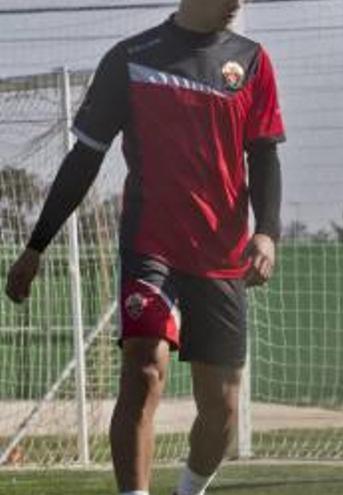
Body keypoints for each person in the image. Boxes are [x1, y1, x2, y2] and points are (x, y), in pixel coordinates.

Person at [4, 1, 285, 493]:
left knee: (221, 407)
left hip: (221, 258)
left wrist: (267, 232)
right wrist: (35, 246)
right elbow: (85, 158)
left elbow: (263, 156)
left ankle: (188, 491)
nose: (238, 3)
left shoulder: (253, 61)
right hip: (150, 245)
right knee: (145, 369)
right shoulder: (130, 59)